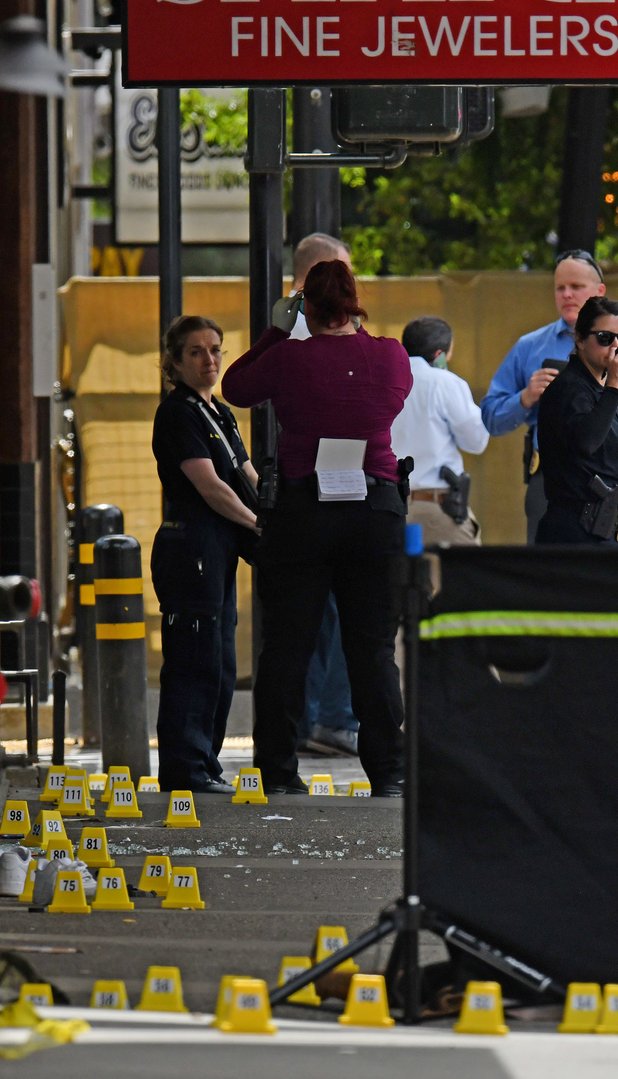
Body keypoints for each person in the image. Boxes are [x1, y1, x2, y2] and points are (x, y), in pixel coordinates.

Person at [221, 260, 411, 796]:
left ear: (305, 305)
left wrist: (278, 328)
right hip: (375, 511)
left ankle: (279, 772)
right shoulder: (391, 355)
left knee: (286, 647)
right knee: (373, 647)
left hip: (302, 511)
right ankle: (389, 772)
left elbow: (235, 387)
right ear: (354, 301)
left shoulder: (287, 358)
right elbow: (388, 391)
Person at [481, 250, 618, 546]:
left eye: (576, 287)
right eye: (559, 287)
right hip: (556, 483)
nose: (566, 295)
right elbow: (490, 418)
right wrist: (524, 398)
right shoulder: (530, 346)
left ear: (599, 291)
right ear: (580, 339)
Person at [150, 315, 258, 793]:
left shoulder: (220, 412)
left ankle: (206, 761)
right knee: (194, 657)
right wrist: (259, 524)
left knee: (220, 659)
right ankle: (185, 766)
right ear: (174, 361)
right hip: (190, 545)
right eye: (195, 352)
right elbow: (210, 486)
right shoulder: (179, 413)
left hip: (220, 547)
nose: (209, 360)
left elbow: (246, 474)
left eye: (216, 349)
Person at [288, 231, 359, 757]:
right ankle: (324, 719)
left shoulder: (304, 333)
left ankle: (318, 720)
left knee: (324, 611)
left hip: (328, 485)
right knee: (327, 612)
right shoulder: (303, 335)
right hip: (325, 487)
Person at [534, 296, 618, 545]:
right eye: (605, 338)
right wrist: (615, 387)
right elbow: (585, 442)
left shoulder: (598, 391)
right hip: (574, 535)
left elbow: (596, 466)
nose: (615, 346)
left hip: (601, 531)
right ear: (580, 339)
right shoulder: (570, 388)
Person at [392, 316, 489, 546]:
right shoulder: (445, 382)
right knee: (460, 579)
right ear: (440, 355)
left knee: (399, 580)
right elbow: (476, 441)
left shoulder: (385, 381)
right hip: (436, 508)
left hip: (390, 506)